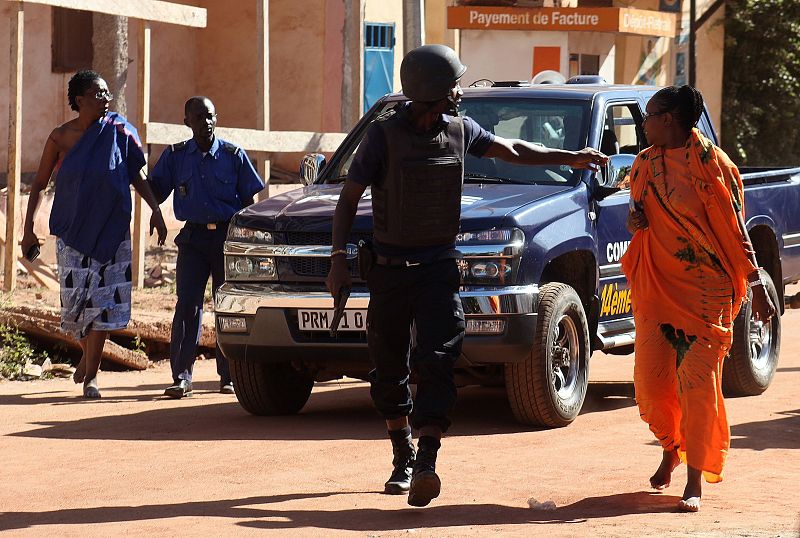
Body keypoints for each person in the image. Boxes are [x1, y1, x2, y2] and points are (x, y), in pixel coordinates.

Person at [325, 44, 607, 507]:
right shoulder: (383, 137)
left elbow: (513, 148)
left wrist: (569, 156)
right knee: (389, 369)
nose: (461, 90)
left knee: (438, 359)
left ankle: (428, 461)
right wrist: (338, 259)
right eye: (454, 83)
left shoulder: (459, 129)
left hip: (437, 268)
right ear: (435, 90)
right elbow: (348, 199)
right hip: (391, 272)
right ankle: (401, 451)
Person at [621, 85, 776, 512]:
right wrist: (635, 219)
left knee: (697, 384)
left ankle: (693, 480)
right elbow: (637, 215)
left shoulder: (714, 167)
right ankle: (672, 446)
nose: (643, 122)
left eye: (649, 115)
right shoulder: (644, 163)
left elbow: (734, 228)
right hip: (658, 287)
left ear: (669, 119)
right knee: (651, 387)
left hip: (708, 292)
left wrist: (757, 282)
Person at [21, 70, 167, 399]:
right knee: (75, 305)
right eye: (99, 94)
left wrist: (156, 209)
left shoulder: (119, 131)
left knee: (101, 304)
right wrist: (28, 228)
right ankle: (87, 356)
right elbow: (40, 184)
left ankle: (91, 374)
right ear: (80, 100)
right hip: (72, 233)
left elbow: (136, 174)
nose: (106, 99)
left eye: (107, 94)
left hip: (112, 231)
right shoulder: (60, 138)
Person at [149, 96, 264, 399]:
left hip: (227, 239)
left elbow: (249, 205)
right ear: (187, 122)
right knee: (188, 305)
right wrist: (155, 212)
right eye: (199, 118)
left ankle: (229, 376)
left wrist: (246, 243)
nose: (206, 123)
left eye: (211, 116)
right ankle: (182, 378)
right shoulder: (176, 157)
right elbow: (154, 190)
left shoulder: (233, 155)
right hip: (193, 240)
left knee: (227, 306)